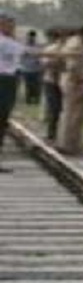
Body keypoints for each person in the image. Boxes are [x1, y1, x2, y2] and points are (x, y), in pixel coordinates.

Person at [55, 23, 83, 155]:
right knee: (71, 115)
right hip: (76, 84)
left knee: (77, 116)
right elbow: (72, 66)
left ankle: (72, 144)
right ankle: (66, 145)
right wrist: (80, 82)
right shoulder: (76, 45)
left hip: (79, 83)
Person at [0, 12, 23, 171]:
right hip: (4, 81)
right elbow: (30, 52)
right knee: (1, 119)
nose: (13, 28)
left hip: (6, 80)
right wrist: (70, 54)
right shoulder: (6, 42)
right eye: (10, 24)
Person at [40, 28, 67, 143]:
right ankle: (51, 134)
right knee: (54, 108)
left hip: (64, 82)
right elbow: (44, 63)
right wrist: (55, 60)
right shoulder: (50, 49)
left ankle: (60, 135)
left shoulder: (69, 50)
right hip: (50, 81)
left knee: (62, 109)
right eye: (62, 37)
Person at [19, 30, 41, 105]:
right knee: (28, 86)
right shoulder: (23, 46)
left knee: (36, 86)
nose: (31, 38)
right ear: (27, 37)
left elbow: (40, 57)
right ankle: (28, 101)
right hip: (26, 69)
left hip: (36, 70)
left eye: (33, 36)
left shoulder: (38, 46)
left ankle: (36, 101)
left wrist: (38, 60)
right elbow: (20, 57)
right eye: (30, 36)